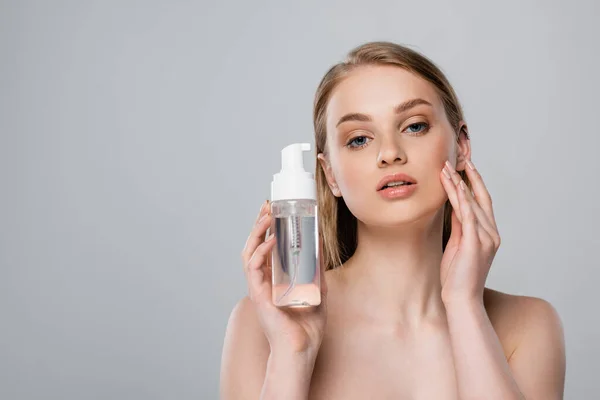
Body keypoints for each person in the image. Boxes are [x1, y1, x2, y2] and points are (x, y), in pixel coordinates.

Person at [220, 41, 566, 400]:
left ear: (461, 146)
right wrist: (294, 353)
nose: (389, 154)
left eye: (414, 127)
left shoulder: (528, 325)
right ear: (330, 175)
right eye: (358, 139)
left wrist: (465, 306)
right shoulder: (264, 323)